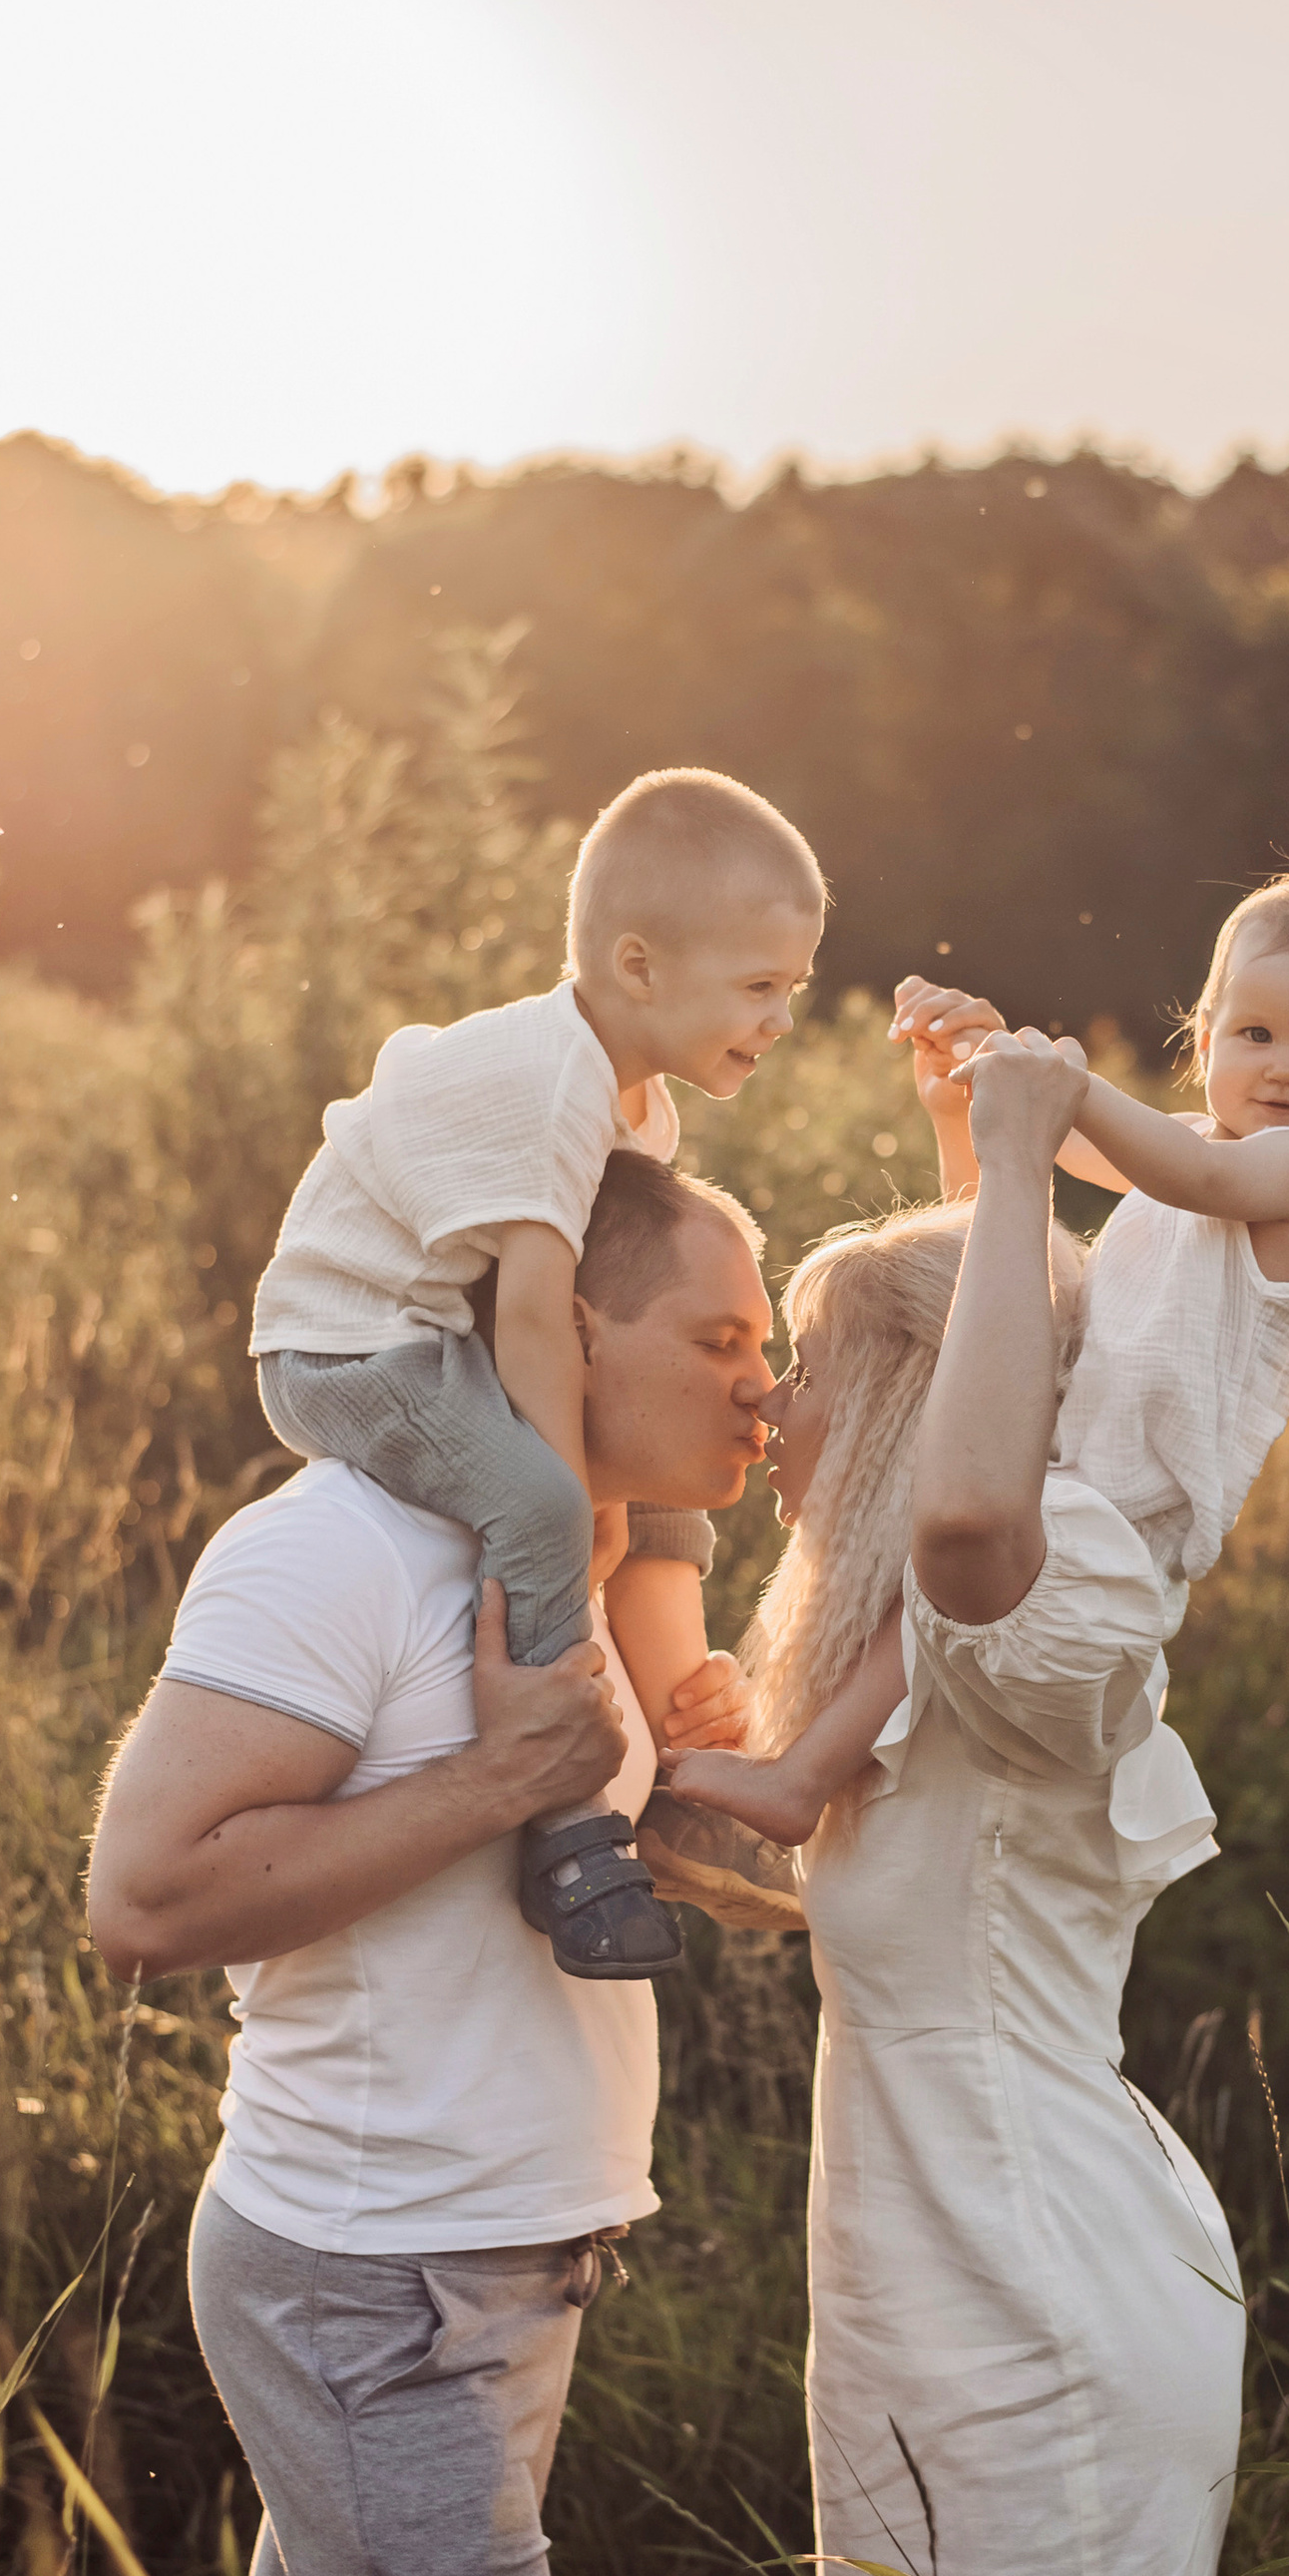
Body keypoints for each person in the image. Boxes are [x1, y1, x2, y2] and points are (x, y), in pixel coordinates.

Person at [86, 1151, 776, 2576]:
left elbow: (570, 1874)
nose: (759, 1395)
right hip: (372, 2282)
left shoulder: (564, 1578)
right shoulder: (335, 1556)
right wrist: (490, 1788)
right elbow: (145, 1896)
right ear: (567, 1335)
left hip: (495, 2267)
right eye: (724, 1343)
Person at [736, 1031, 1243, 2576]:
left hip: (1041, 2314)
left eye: (806, 1375)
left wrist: (1026, 1153)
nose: (770, 1408)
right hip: (916, 2317)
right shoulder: (881, 1684)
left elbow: (964, 1499)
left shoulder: (1044, 1622)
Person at [666, 868, 1289, 1853]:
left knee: (934, 1587)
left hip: (1126, 1513)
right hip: (1068, 1469)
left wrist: (1046, 1077)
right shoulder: (1183, 1146)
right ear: (1202, 1038)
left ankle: (799, 1777)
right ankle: (798, 1768)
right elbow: (1016, 1235)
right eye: (1255, 1035)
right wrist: (973, 1075)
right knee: (920, 1596)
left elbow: (1184, 1170)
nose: (1284, 1069)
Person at [248, 765, 823, 1973]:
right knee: (547, 1499)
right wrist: (571, 1506)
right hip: (348, 1346)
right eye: (760, 989)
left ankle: (688, 1773)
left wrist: (625, 1488)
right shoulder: (553, 1085)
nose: (780, 1021)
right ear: (637, 968)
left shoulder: (640, 1104)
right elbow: (529, 1321)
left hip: (433, 1330)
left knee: (649, 1467)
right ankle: (567, 1832)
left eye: (794, 991)